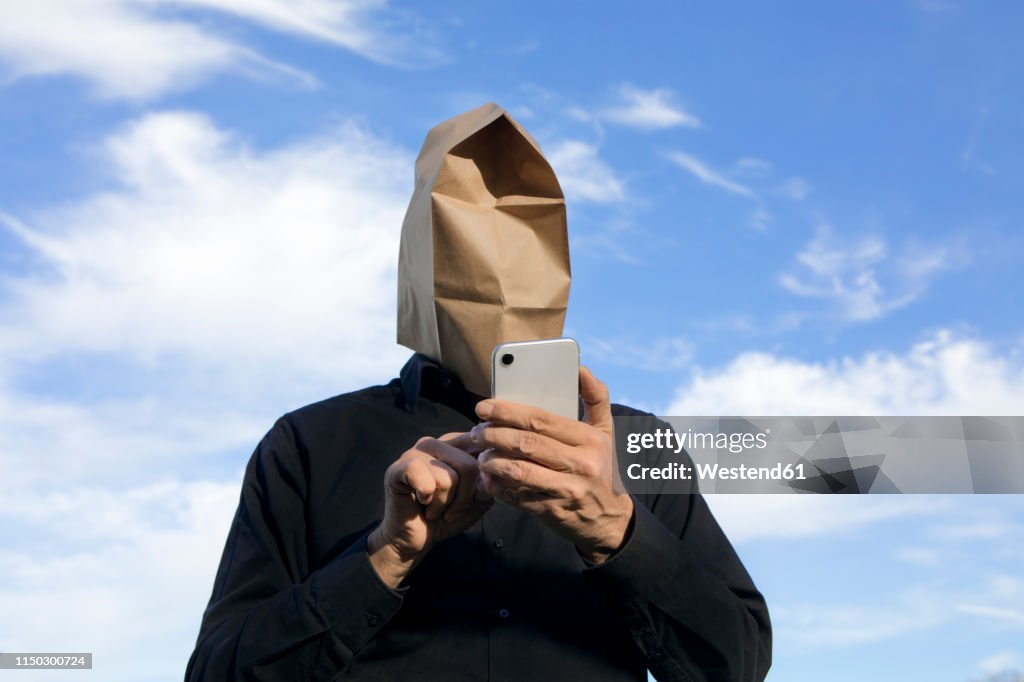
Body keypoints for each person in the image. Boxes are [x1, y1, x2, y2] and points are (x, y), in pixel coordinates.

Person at [184, 103, 771, 681]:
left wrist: (615, 528)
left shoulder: (638, 443)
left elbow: (737, 665)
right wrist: (385, 556)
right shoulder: (309, 443)